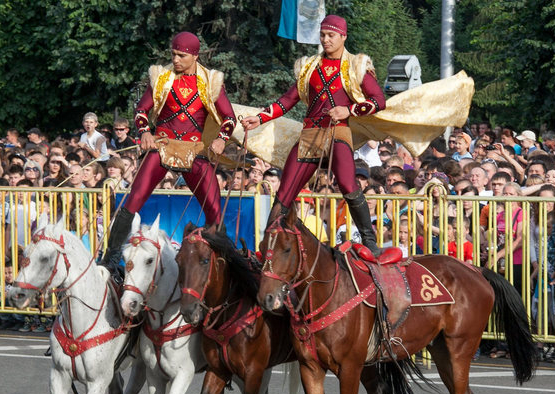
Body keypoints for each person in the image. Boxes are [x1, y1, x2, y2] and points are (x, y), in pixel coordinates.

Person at [241, 15, 386, 253]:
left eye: (331, 35)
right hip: (309, 135)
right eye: (323, 35)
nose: (326, 40)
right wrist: (260, 118)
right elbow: (287, 100)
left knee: (347, 183)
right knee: (285, 192)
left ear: (343, 36)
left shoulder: (357, 65)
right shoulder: (309, 67)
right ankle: (267, 245)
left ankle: (369, 240)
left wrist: (349, 110)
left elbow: (379, 100)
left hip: (338, 131)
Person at [99, 31, 237, 275]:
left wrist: (221, 139)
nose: (175, 59)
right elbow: (141, 110)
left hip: (194, 151)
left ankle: (224, 266)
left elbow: (229, 118)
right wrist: (145, 132)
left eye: (181, 55)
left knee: (215, 210)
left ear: (195, 56)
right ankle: (110, 260)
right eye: (173, 54)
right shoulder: (162, 77)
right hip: (161, 147)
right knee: (133, 200)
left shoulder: (211, 81)